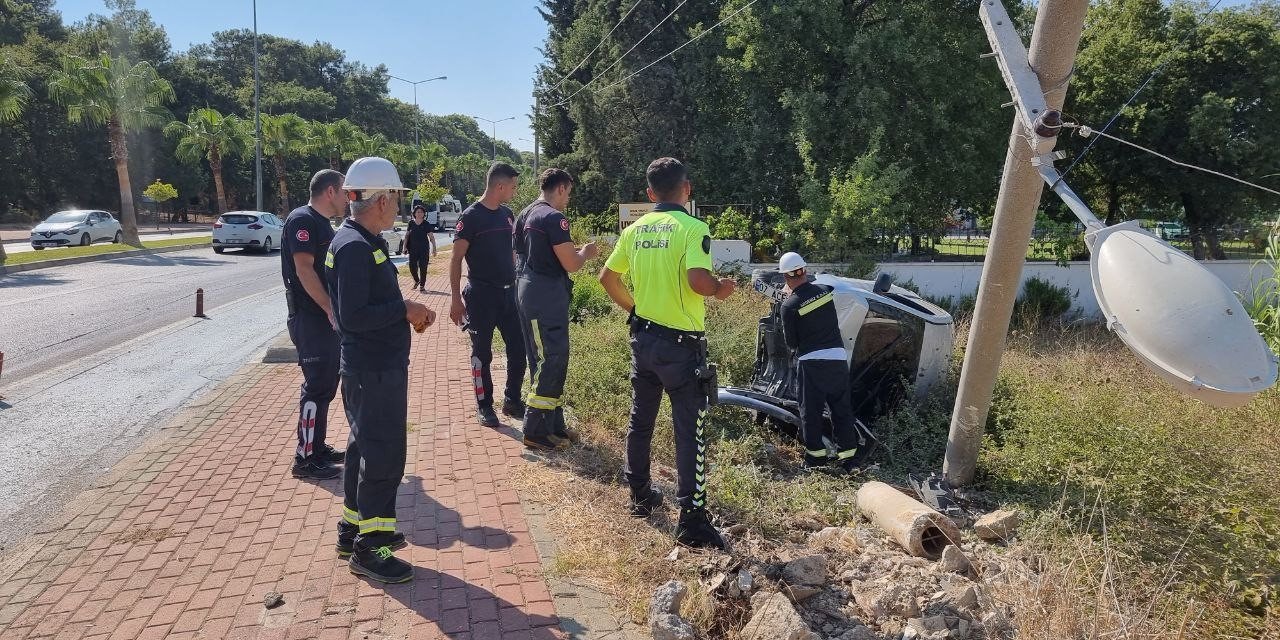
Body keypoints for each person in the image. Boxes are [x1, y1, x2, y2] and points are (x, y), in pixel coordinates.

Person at [599, 157, 735, 549]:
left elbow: (607, 278)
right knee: (688, 429)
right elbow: (697, 280)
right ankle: (692, 521)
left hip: (643, 341)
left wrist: (636, 309)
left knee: (641, 418)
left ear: (649, 194)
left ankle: (639, 494)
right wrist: (719, 288)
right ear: (687, 189)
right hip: (681, 348)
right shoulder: (694, 228)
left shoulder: (635, 229)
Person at [325, 156, 434, 584]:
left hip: (370, 368)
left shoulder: (359, 239)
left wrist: (402, 314)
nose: (400, 206)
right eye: (397, 198)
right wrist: (405, 309)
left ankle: (352, 530)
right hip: (374, 370)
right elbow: (352, 316)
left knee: (362, 447)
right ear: (382, 199)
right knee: (384, 454)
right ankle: (373, 549)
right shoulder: (353, 246)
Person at [513, 168, 599, 451]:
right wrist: (586, 252)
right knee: (549, 360)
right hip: (545, 297)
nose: (568, 200)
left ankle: (553, 424)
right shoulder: (553, 218)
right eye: (569, 193)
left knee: (550, 358)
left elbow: (518, 257)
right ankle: (535, 430)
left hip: (530, 291)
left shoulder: (524, 214)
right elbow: (572, 263)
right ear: (561, 188)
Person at [448, 162, 528, 428]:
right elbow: (456, 258)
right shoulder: (471, 217)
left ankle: (512, 400)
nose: (515, 192)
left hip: (509, 296)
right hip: (481, 296)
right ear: (500, 186)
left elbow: (513, 253)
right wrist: (456, 299)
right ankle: (484, 405)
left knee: (518, 350)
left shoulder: (507, 214)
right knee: (482, 354)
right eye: (513, 187)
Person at [280, 169, 347, 480]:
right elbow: (304, 270)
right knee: (317, 387)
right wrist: (329, 309)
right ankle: (305, 458)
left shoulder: (322, 224)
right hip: (311, 317)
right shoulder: (302, 220)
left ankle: (316, 447)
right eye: (345, 191)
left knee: (326, 386)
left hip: (323, 318)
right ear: (330, 191)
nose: (349, 198)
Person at [778, 252, 862, 474]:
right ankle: (849, 460)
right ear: (804, 271)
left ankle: (816, 461)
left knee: (811, 412)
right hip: (837, 359)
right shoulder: (825, 292)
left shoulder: (789, 306)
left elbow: (792, 343)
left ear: (785, 277)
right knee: (841, 409)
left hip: (812, 362)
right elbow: (817, 292)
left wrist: (789, 299)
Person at [405, 204, 438, 291]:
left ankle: (422, 285)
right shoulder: (411, 223)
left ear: (424, 214)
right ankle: (417, 280)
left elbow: (431, 237)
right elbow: (407, 236)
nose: (420, 214)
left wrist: (434, 248)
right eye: (418, 212)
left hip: (424, 249)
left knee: (423, 267)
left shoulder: (426, 224)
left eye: (421, 212)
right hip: (413, 248)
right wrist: (404, 247)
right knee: (412, 266)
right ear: (414, 213)